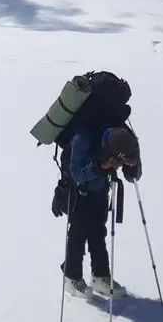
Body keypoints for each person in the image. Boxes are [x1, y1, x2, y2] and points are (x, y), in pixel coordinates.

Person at [56, 124, 141, 298]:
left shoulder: (124, 138)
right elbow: (76, 173)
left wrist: (131, 166)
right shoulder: (83, 137)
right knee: (77, 234)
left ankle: (100, 276)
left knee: (97, 231)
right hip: (79, 191)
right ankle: (71, 277)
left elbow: (134, 174)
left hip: (100, 189)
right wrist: (101, 166)